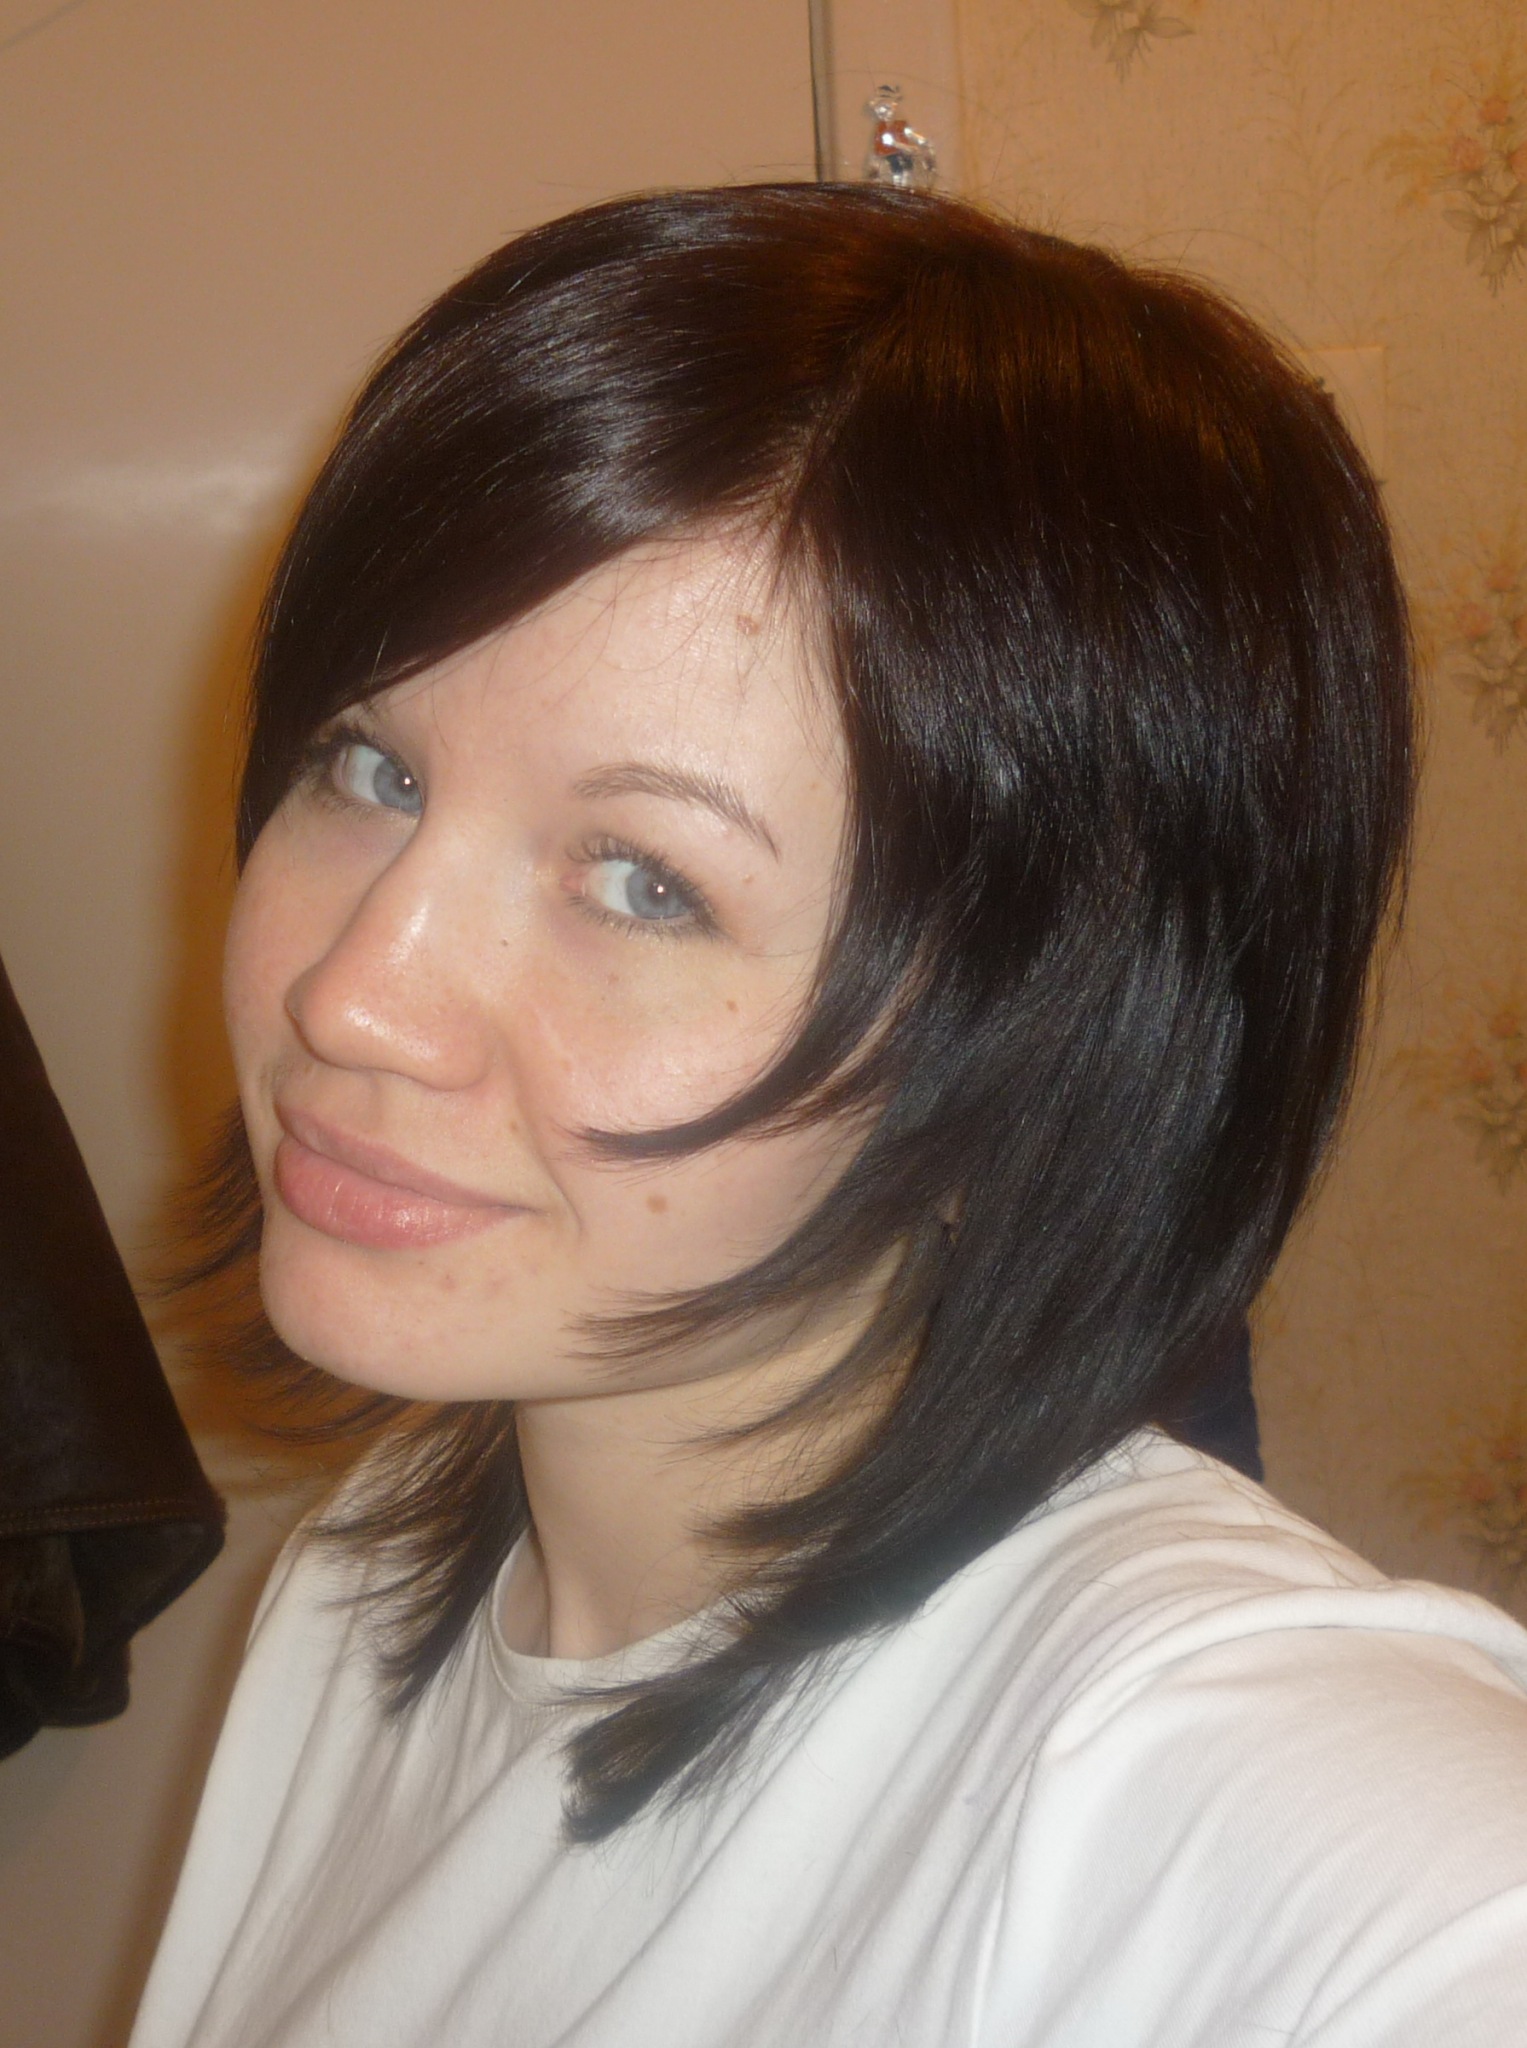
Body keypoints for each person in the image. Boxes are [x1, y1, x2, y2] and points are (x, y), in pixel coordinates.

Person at [130, 186, 1527, 2048]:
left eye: (645, 884)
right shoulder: (371, 1581)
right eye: (372, 769)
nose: (350, 996)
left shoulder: (1205, 1792)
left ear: (1039, 1045)